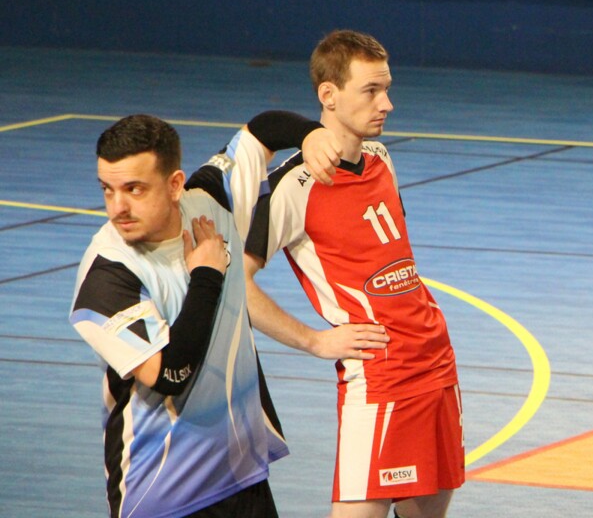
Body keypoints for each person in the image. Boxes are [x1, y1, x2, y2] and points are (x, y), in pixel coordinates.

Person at [69, 110, 371, 518]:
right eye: (108, 190)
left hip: (240, 474)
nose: (118, 206)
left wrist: (311, 135)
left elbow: (261, 132)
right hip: (163, 493)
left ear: (175, 185)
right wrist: (208, 275)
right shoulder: (108, 274)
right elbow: (169, 374)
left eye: (134, 189)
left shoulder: (212, 200)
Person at [244, 30, 465, 518]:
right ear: (329, 94)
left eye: (387, 89)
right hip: (379, 378)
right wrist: (313, 341)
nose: (386, 104)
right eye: (371, 91)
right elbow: (233, 283)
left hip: (436, 365)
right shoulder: (291, 187)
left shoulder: (381, 157)